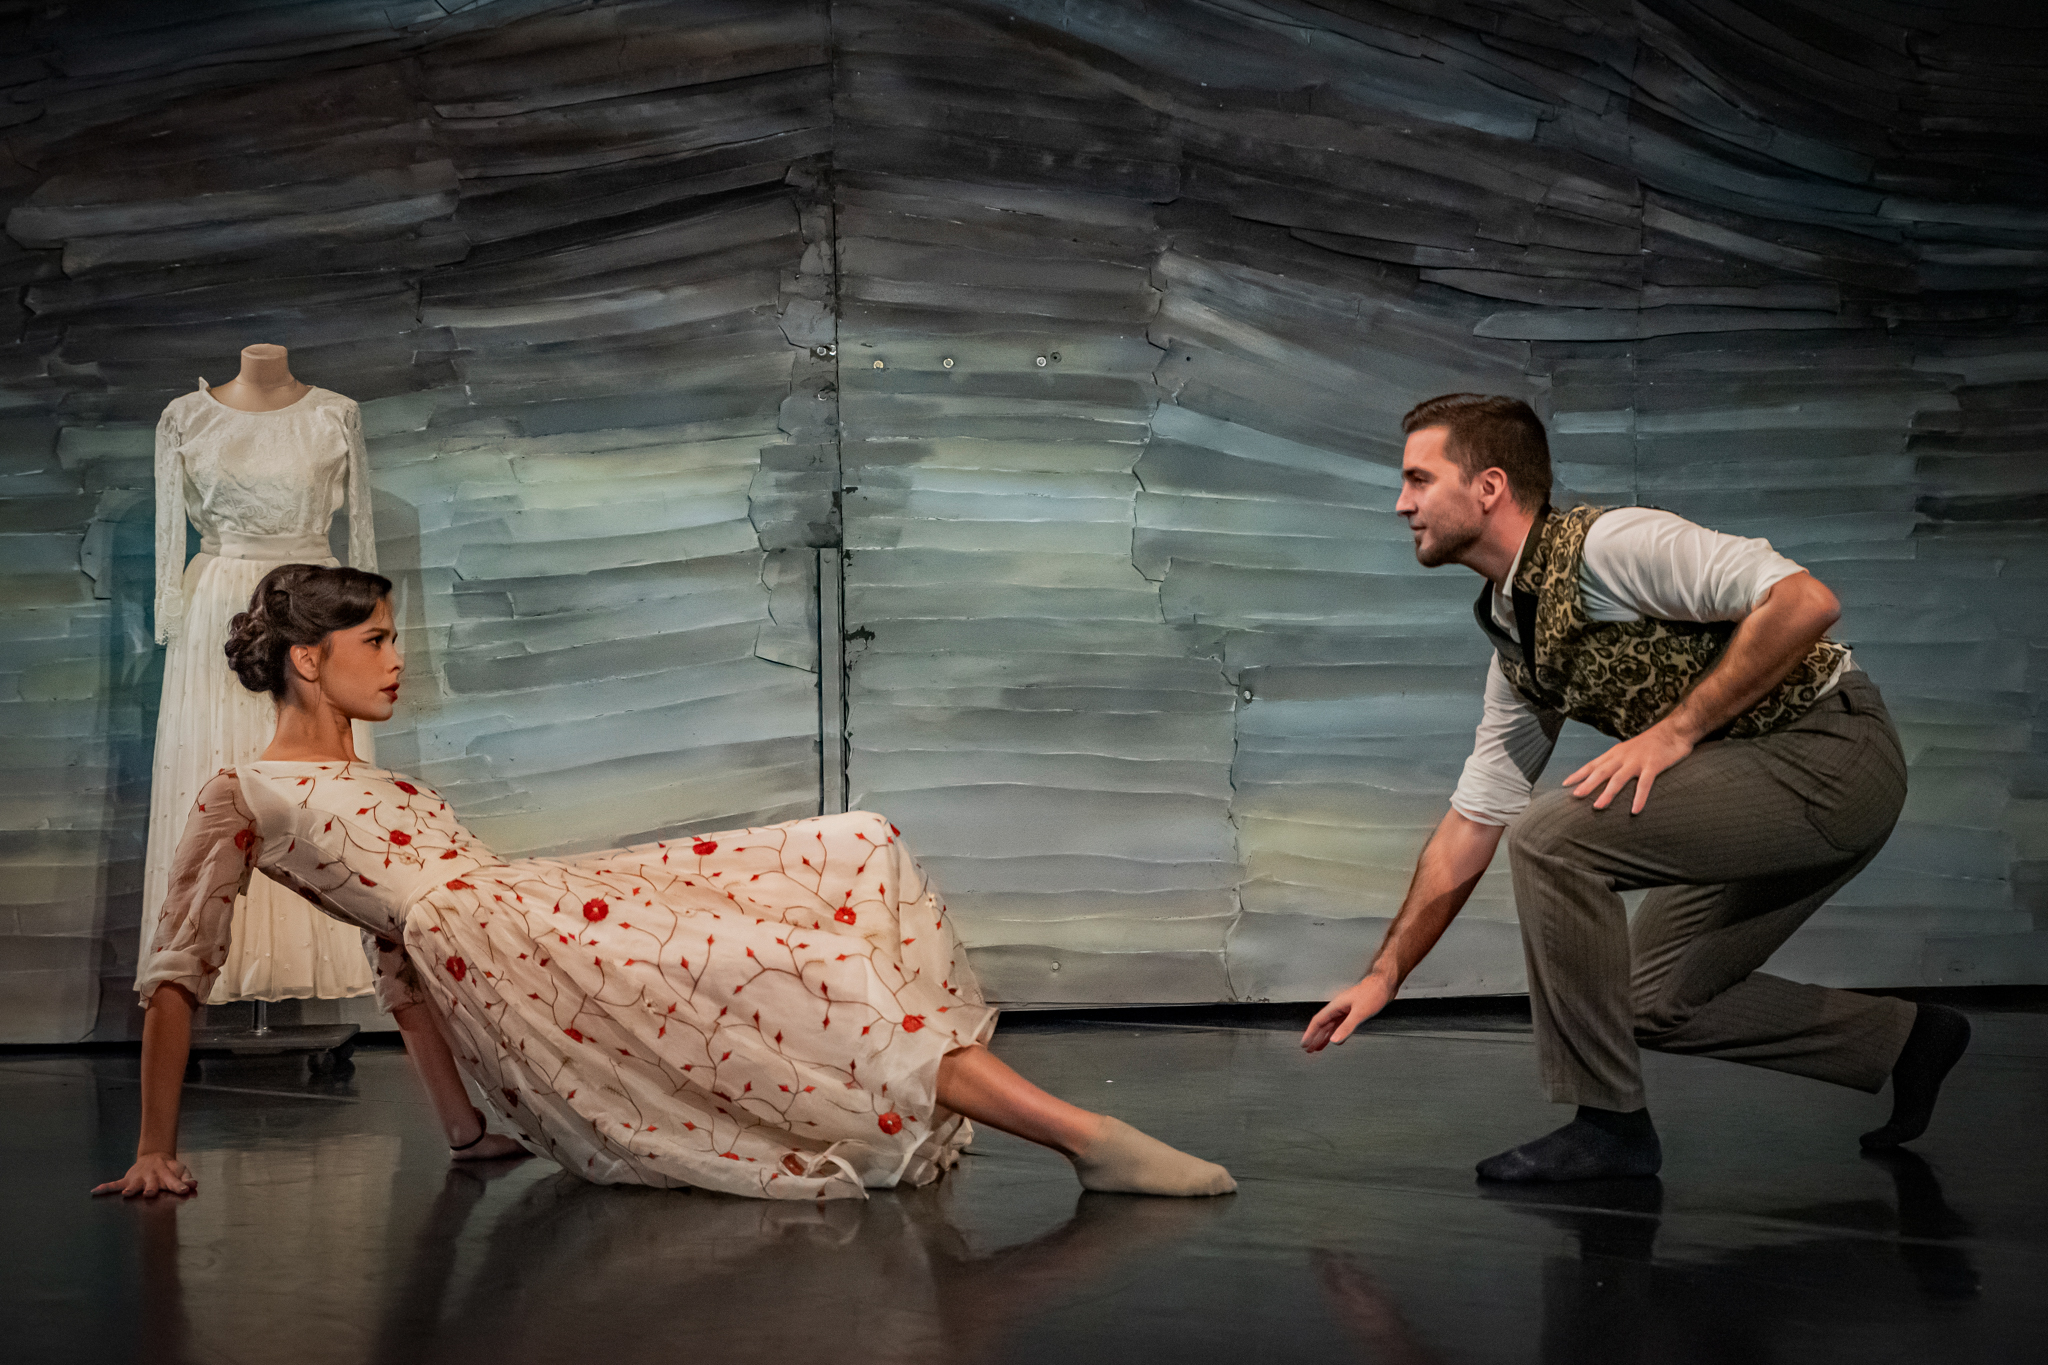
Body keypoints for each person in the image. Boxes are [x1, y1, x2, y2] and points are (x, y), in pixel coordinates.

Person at [95, 564, 1234, 1202]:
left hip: (527, 911)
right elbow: (179, 968)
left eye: (396, 638)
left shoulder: (388, 785)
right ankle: (1085, 1138)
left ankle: (1053, 1128)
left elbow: (399, 960)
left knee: (852, 843)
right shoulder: (246, 791)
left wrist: (460, 1128)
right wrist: (154, 1146)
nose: (399, 660)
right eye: (377, 641)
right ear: (309, 658)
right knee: (810, 966)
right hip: (518, 949)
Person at [1301, 393, 1970, 1182]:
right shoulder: (1518, 641)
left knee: (1553, 840)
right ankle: (1906, 1040)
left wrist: (1677, 730)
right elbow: (1472, 822)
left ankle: (1609, 1126)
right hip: (1756, 786)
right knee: (1647, 999)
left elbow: (1806, 601)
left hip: (1834, 756)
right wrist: (1386, 973)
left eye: (1419, 478)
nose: (1401, 502)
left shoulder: (1614, 546)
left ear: (1488, 486)